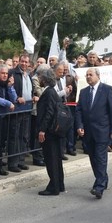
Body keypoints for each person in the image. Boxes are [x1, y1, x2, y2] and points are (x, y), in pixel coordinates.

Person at [75, 68, 112, 199]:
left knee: (100, 158)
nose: (88, 77)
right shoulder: (83, 92)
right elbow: (78, 111)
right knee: (93, 158)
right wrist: (79, 126)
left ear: (97, 76)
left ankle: (99, 187)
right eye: (87, 75)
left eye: (90, 75)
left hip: (102, 131)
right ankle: (103, 179)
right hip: (88, 132)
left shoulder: (107, 90)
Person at [36, 68, 65, 196]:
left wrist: (42, 130)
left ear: (45, 79)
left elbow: (49, 113)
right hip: (54, 131)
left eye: (40, 77)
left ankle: (54, 187)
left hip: (50, 132)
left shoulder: (48, 93)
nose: (39, 80)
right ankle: (59, 184)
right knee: (56, 158)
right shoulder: (51, 92)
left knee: (52, 159)